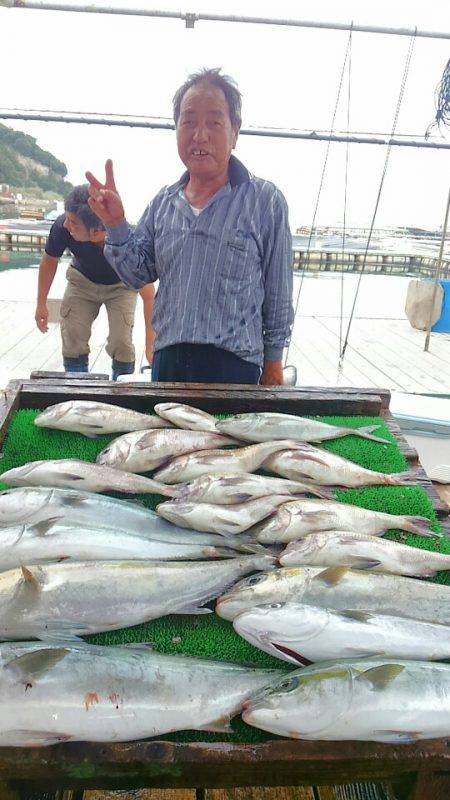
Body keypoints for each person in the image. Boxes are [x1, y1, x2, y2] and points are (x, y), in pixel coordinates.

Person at [86, 68, 294, 385]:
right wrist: (115, 225)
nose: (200, 135)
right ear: (176, 130)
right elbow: (137, 274)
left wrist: (274, 364)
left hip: (235, 368)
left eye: (214, 122)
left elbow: (279, 294)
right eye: (189, 122)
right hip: (168, 364)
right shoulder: (163, 203)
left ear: (235, 131)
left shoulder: (265, 201)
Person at [35, 185, 155, 380]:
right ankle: (77, 386)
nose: (66, 225)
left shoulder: (125, 241)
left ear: (96, 232)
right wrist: (41, 303)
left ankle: (120, 390)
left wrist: (151, 345)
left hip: (122, 285)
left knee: (121, 342)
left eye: (73, 222)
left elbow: (149, 295)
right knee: (73, 334)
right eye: (67, 218)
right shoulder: (62, 226)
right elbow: (49, 260)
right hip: (81, 279)